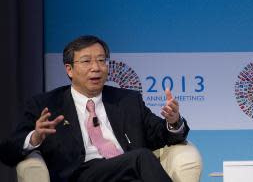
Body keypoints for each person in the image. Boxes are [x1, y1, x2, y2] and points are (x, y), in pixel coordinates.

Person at [0, 35, 190, 182]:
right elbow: (8, 151)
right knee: (142, 157)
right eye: (86, 61)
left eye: (101, 60)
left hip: (125, 171)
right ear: (69, 70)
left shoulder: (127, 100)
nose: (96, 68)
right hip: (79, 174)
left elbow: (161, 135)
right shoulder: (46, 105)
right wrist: (35, 138)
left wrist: (173, 122)